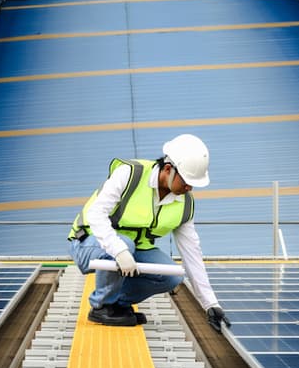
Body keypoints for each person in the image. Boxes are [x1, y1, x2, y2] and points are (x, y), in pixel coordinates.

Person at [68, 134, 231, 331]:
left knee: (172, 277)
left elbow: (192, 254)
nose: (189, 187)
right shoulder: (130, 174)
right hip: (88, 243)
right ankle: (102, 305)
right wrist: (119, 251)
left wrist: (211, 304)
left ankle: (118, 304)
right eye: (186, 181)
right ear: (168, 169)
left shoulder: (184, 203)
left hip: (132, 249)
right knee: (125, 244)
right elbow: (96, 215)